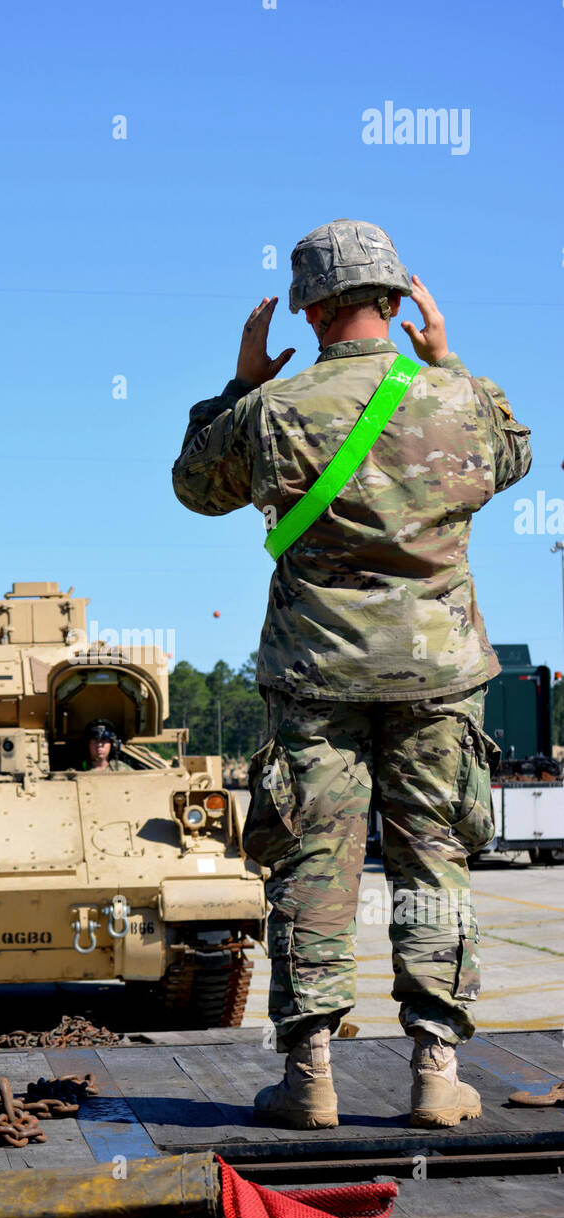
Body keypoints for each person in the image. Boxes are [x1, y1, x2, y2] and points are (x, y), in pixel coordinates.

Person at [172, 219, 531, 1130]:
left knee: (309, 870)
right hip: (438, 680)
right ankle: (434, 1074)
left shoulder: (273, 412)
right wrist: (447, 365)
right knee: (431, 868)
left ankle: (309, 1079)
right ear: (397, 301)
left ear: (312, 310)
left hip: (316, 677)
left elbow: (193, 485)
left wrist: (241, 384)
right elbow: (513, 456)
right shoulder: (459, 403)